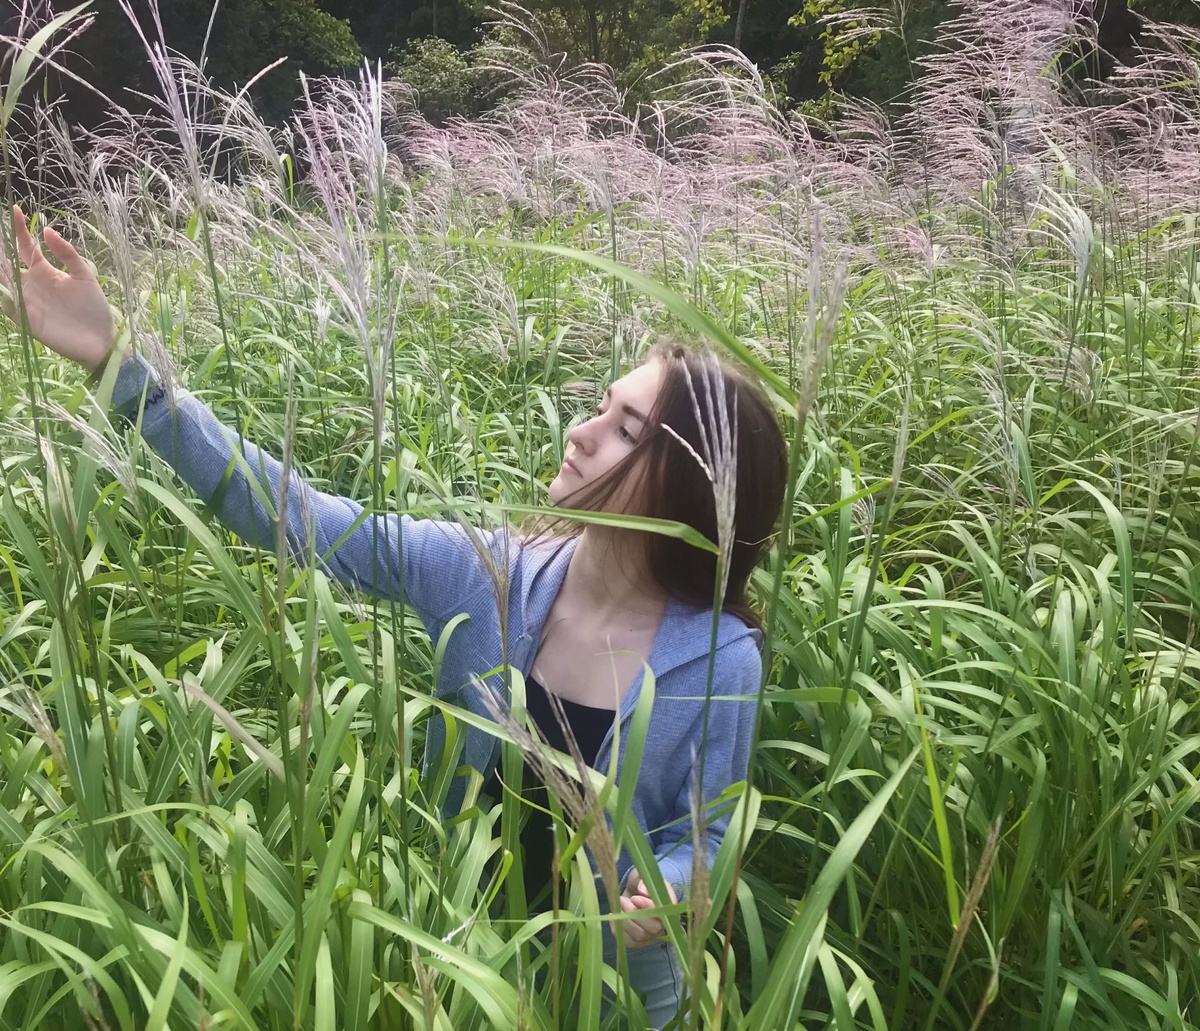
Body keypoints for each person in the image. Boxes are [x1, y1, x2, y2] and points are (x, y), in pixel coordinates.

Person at [1, 204, 788, 1028]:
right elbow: (296, 515)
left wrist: (670, 887)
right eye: (599, 406)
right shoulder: (484, 572)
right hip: (461, 973)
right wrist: (119, 361)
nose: (582, 433)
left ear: (693, 489)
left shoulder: (719, 656)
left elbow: (710, 830)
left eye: (625, 430)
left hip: (617, 1001)